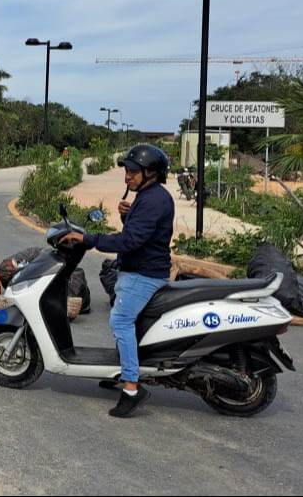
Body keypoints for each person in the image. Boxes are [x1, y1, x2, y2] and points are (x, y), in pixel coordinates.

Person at [59, 143, 174, 418]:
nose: (128, 176)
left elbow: (130, 241)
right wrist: (126, 215)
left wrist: (87, 239)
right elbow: (140, 233)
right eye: (127, 170)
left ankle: (132, 389)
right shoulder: (149, 197)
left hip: (144, 274)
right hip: (142, 269)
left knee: (120, 320)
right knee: (125, 319)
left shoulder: (154, 200)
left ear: (151, 173)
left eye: (134, 171)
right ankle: (123, 370)